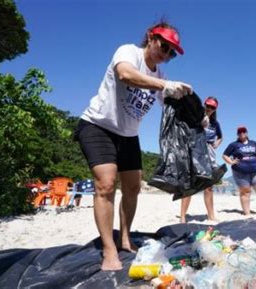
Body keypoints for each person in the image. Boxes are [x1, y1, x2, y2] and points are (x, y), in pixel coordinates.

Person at [74, 20, 192, 271]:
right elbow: (125, 74)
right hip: (98, 125)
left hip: (128, 135)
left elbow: (171, 105)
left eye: (172, 52)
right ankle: (108, 250)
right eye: (165, 46)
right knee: (106, 184)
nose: (167, 53)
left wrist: (197, 116)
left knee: (133, 187)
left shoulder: (160, 74)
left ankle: (124, 238)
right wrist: (163, 85)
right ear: (151, 37)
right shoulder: (128, 52)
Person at [180, 97, 223, 223]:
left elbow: (220, 137)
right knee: (190, 184)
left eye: (212, 107)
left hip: (209, 152)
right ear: (204, 105)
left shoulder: (215, 123)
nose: (209, 109)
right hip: (195, 150)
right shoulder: (195, 117)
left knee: (208, 186)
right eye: (208, 106)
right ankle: (183, 216)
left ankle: (211, 215)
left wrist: (216, 144)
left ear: (215, 109)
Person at [223, 126, 256, 216]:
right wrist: (231, 162)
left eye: (244, 132)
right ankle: (247, 213)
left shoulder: (254, 143)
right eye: (240, 132)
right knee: (245, 191)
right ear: (237, 134)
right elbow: (225, 155)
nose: (242, 134)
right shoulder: (233, 145)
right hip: (240, 172)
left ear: (247, 133)